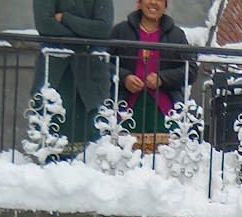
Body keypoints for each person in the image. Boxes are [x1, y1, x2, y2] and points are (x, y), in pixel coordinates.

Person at [108, 0, 193, 143]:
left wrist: (162, 79)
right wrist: (124, 77)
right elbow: (103, 63)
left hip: (166, 108)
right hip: (125, 104)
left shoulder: (176, 36)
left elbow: (191, 70)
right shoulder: (121, 31)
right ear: (139, 3)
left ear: (165, 6)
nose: (154, 2)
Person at [33, 0, 116, 146]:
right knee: (52, 134)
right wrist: (85, 37)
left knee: (90, 140)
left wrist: (65, 18)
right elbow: (45, 25)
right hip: (55, 72)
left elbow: (103, 28)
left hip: (91, 73)